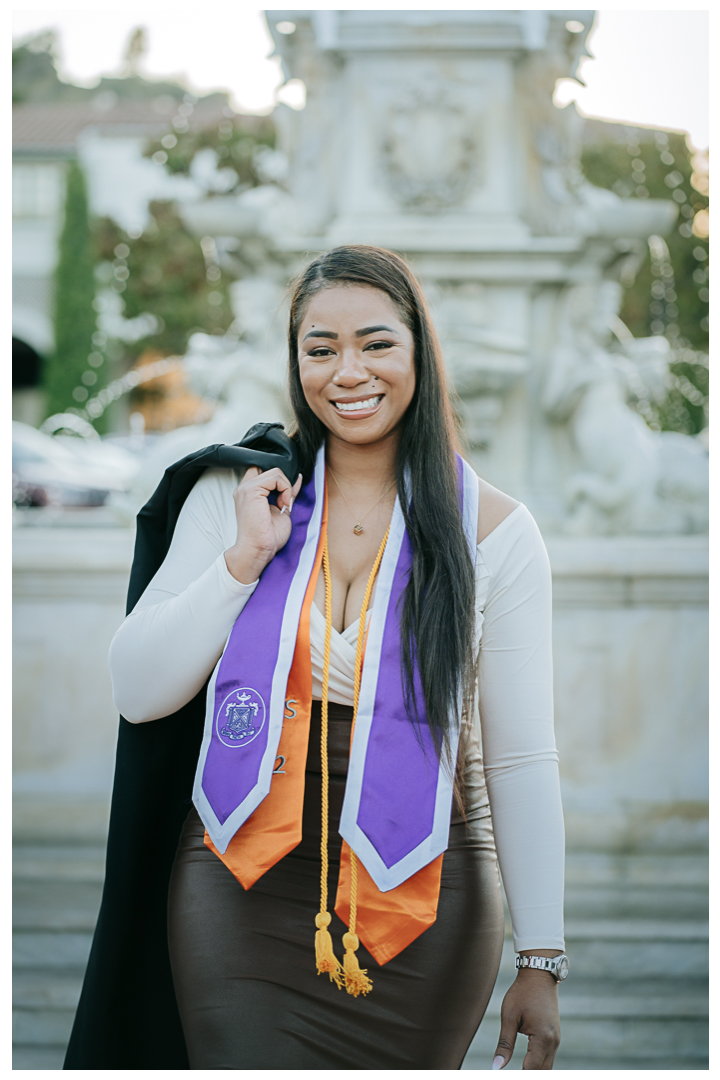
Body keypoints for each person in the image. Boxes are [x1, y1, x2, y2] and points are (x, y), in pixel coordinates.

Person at [103, 246, 566, 1070]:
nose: (348, 371)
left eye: (376, 343)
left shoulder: (496, 534)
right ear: (297, 364)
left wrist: (541, 958)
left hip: (426, 890)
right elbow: (139, 692)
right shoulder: (237, 497)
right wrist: (242, 563)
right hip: (238, 880)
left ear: (420, 350)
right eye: (321, 349)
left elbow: (523, 758)